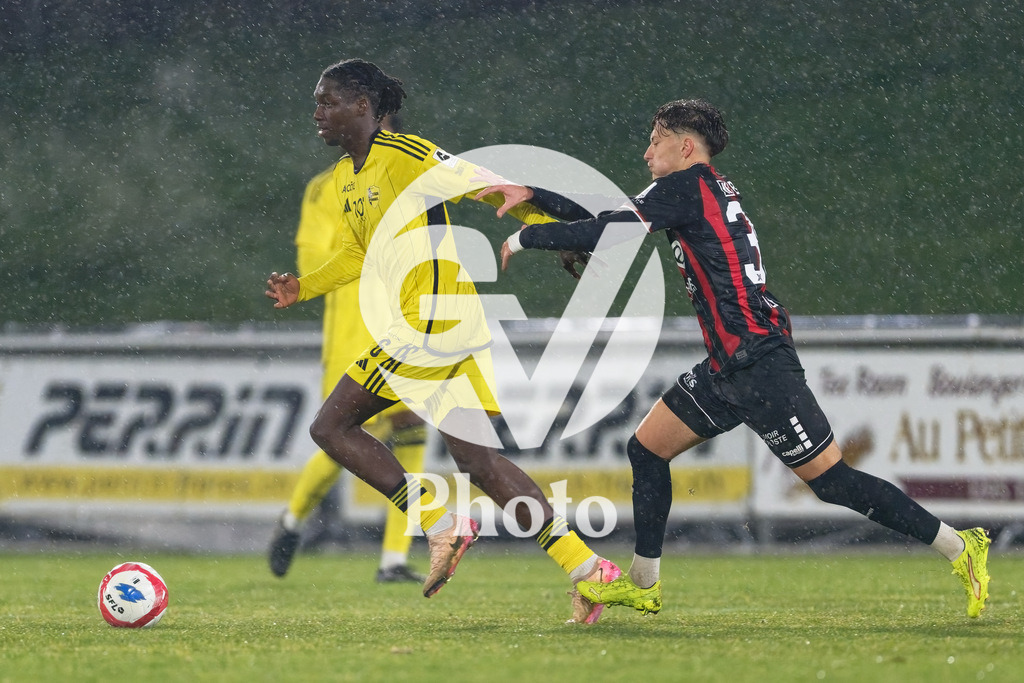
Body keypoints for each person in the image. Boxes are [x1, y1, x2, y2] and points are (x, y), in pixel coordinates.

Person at [482, 98, 992, 619]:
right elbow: (611, 216)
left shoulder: (685, 187)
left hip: (759, 361)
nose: (646, 150)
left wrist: (528, 236)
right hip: (729, 366)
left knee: (833, 482)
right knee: (647, 450)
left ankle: (960, 546)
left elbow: (610, 231)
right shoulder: (698, 187)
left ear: (685, 146)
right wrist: (533, 195)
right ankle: (644, 584)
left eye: (655, 139)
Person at [264, 58, 621, 624]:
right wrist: (304, 287)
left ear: (363, 106)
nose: (317, 113)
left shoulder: (404, 155)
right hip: (447, 325)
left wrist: (559, 232)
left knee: (331, 427)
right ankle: (588, 570)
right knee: (478, 463)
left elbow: (490, 188)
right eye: (317, 102)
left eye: (328, 101)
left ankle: (438, 523)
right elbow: (360, 252)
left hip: (429, 323)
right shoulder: (344, 178)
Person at [267, 115, 429, 584]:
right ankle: (293, 518)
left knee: (413, 426)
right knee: (342, 432)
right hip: (355, 322)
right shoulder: (328, 186)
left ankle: (393, 559)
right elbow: (312, 262)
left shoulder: (411, 175)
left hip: (410, 318)